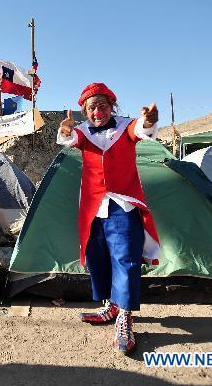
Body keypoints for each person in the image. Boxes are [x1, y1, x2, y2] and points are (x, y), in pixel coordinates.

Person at [57, 82, 161, 356]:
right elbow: (71, 139)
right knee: (98, 256)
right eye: (92, 108)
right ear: (85, 112)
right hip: (94, 206)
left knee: (126, 257)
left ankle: (125, 317)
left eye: (102, 106)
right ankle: (112, 305)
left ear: (112, 106)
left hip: (122, 204)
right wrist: (66, 129)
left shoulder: (126, 126)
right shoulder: (81, 132)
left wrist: (148, 121)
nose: (98, 112)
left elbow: (140, 129)